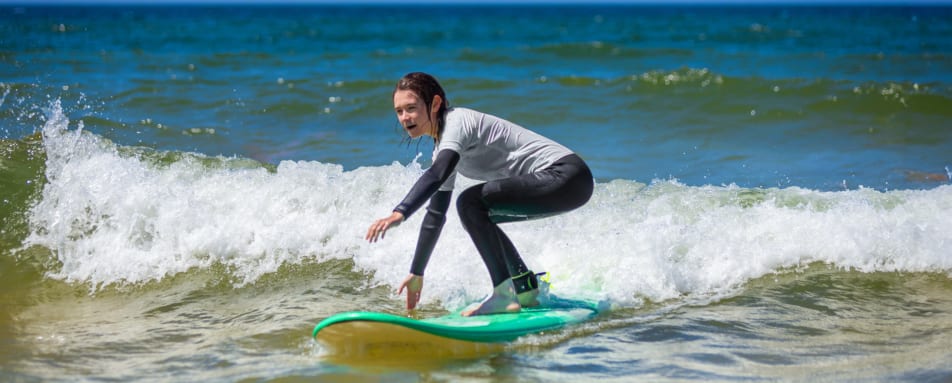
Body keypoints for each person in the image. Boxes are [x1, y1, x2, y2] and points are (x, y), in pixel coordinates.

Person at [365, 72, 593, 316]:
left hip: (566, 175)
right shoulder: (444, 148)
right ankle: (524, 287)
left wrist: (400, 212)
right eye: (399, 111)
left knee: (470, 203)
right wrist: (417, 272)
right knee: (478, 214)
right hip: (568, 186)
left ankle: (503, 295)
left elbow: (436, 174)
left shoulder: (456, 123)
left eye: (411, 108)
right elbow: (435, 215)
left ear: (435, 104)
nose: (405, 118)